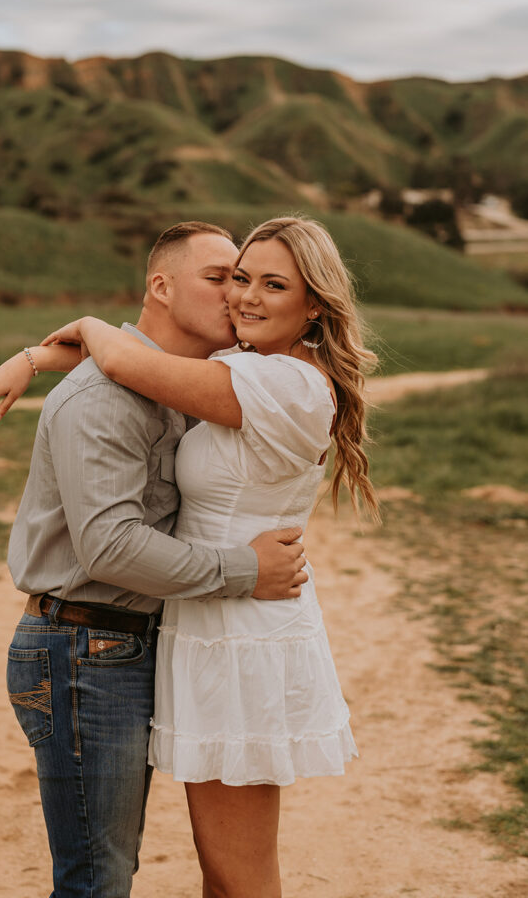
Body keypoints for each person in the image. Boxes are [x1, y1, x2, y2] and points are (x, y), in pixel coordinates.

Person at [29, 215, 380, 898]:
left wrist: (86, 323)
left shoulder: (283, 386)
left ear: (314, 304)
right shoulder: (250, 370)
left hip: (239, 635)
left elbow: (131, 361)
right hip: (212, 625)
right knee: (223, 874)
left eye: (272, 284)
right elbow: (152, 366)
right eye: (238, 278)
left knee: (238, 876)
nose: (244, 297)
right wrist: (36, 359)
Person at [0, 221, 308, 898]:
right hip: (82, 649)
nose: (236, 296)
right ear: (160, 285)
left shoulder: (185, 384)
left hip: (128, 646)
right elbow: (111, 545)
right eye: (220, 278)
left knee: (118, 870)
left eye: (246, 280)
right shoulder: (103, 399)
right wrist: (245, 570)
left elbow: (133, 356)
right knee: (96, 881)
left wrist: (41, 354)